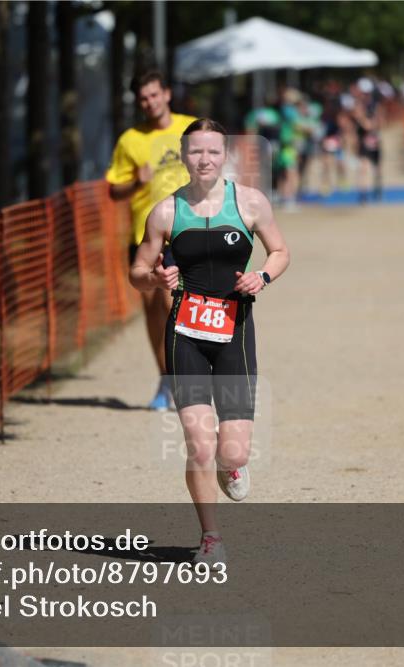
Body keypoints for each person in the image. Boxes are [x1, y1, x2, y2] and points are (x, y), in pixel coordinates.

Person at [129, 119, 290, 567]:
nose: (205, 160)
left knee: (232, 449)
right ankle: (211, 538)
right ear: (184, 157)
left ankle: (232, 462)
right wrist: (155, 278)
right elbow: (137, 274)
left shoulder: (250, 203)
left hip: (234, 334)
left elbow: (280, 251)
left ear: (226, 156)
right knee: (199, 443)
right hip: (184, 335)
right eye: (196, 152)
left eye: (213, 152)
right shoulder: (165, 212)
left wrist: (262, 275)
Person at [106, 71, 197, 410]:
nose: (150, 102)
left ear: (167, 94)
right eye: (144, 98)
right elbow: (114, 190)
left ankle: (188, 376)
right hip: (146, 235)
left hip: (189, 229)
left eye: (154, 95)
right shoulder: (130, 139)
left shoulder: (192, 128)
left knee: (174, 302)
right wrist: (136, 182)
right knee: (154, 311)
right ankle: (166, 379)